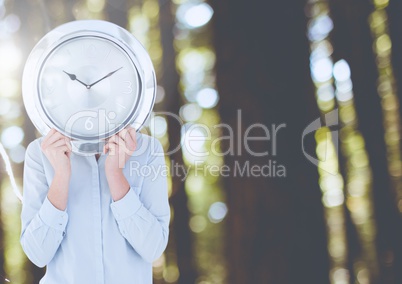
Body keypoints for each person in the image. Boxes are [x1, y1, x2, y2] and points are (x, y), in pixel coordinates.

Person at [20, 127, 170, 284]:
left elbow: (153, 248)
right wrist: (61, 176)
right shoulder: (42, 151)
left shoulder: (147, 150)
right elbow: (37, 254)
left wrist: (115, 173)